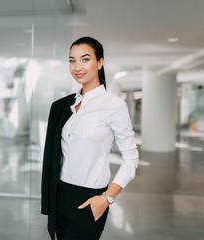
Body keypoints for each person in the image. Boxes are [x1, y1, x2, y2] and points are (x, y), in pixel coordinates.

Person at [41, 36, 139, 240]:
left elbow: (131, 157)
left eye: (85, 59)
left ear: (100, 62)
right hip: (60, 194)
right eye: (72, 60)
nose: (77, 66)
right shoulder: (63, 106)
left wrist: (107, 197)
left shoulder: (113, 105)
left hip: (90, 198)